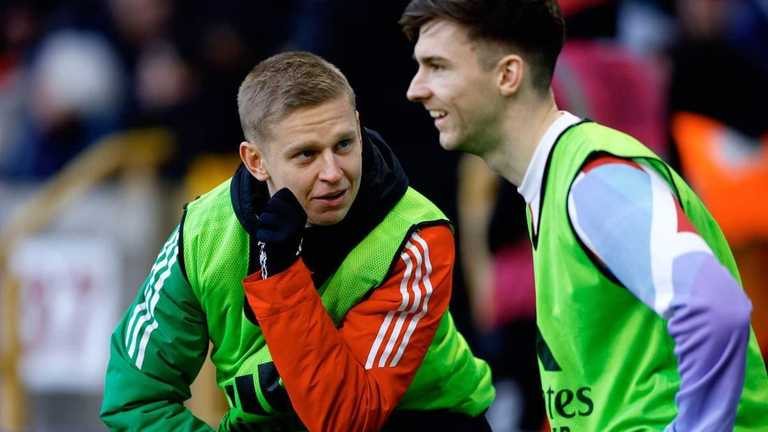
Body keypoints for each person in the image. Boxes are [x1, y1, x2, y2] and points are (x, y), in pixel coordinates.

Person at [400, 1, 768, 430]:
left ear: (507, 75)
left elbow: (716, 309)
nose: (415, 89)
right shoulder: (555, 183)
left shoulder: (592, 182)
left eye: (437, 66)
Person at [100, 51, 494, 431]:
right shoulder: (203, 232)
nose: (333, 172)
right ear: (256, 161)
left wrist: (281, 274)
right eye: (306, 155)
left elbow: (347, 418)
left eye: (344, 144)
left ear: (358, 126)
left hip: (421, 420)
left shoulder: (415, 234)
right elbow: (135, 398)